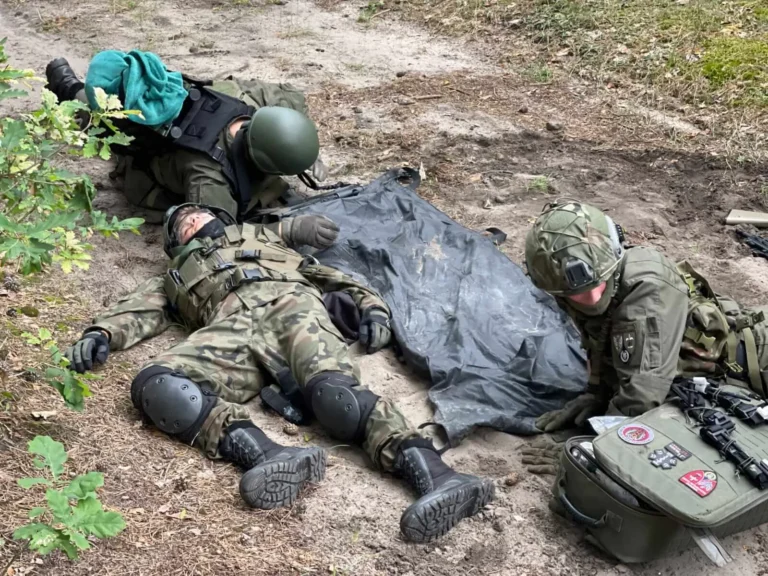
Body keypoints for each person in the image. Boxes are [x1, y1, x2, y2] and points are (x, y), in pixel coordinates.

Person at [63, 203, 494, 542]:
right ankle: (268, 455)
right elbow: (136, 310)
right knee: (159, 387)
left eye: (198, 212)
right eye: (182, 223)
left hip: (292, 305)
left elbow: (329, 275)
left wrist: (372, 308)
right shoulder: (175, 277)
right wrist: (100, 333)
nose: (192, 217)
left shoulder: (264, 238)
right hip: (230, 328)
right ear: (177, 243)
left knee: (334, 398)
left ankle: (440, 478)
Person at [520, 200, 768, 474]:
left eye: (597, 284)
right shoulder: (577, 280)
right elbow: (600, 336)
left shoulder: (646, 295)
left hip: (752, 363)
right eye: (575, 293)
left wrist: (593, 450)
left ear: (614, 255)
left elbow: (643, 394)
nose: (591, 297)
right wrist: (597, 392)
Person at [45, 50, 328, 222]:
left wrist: (301, 148)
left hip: (162, 106)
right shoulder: (209, 177)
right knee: (99, 123)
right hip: (144, 147)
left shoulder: (246, 98)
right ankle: (67, 88)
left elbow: (292, 97)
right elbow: (213, 236)